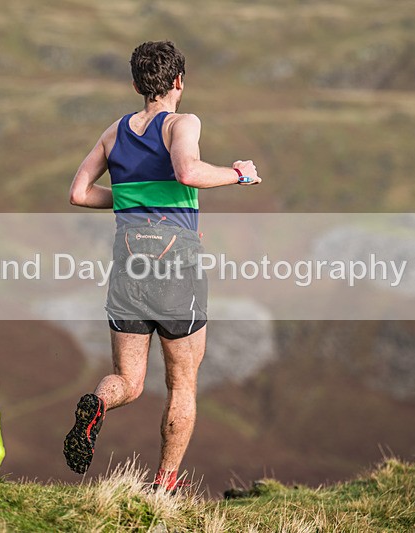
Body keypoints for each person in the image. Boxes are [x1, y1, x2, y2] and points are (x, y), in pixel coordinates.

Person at [64, 40, 261, 492]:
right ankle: (165, 483)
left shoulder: (113, 133)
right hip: (177, 269)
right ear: (178, 82)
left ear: (136, 84)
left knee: (128, 382)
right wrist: (239, 174)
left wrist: (137, 201)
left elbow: (78, 193)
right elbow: (189, 172)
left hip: (128, 263)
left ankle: (97, 402)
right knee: (182, 383)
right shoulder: (182, 122)